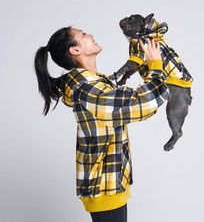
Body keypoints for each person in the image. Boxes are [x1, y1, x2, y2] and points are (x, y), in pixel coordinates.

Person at [34, 26, 169, 222]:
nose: (89, 34)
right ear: (75, 50)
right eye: (82, 35)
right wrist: (156, 67)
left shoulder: (91, 84)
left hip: (110, 183)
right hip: (104, 187)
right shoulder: (87, 90)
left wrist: (138, 54)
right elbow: (141, 103)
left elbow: (112, 84)